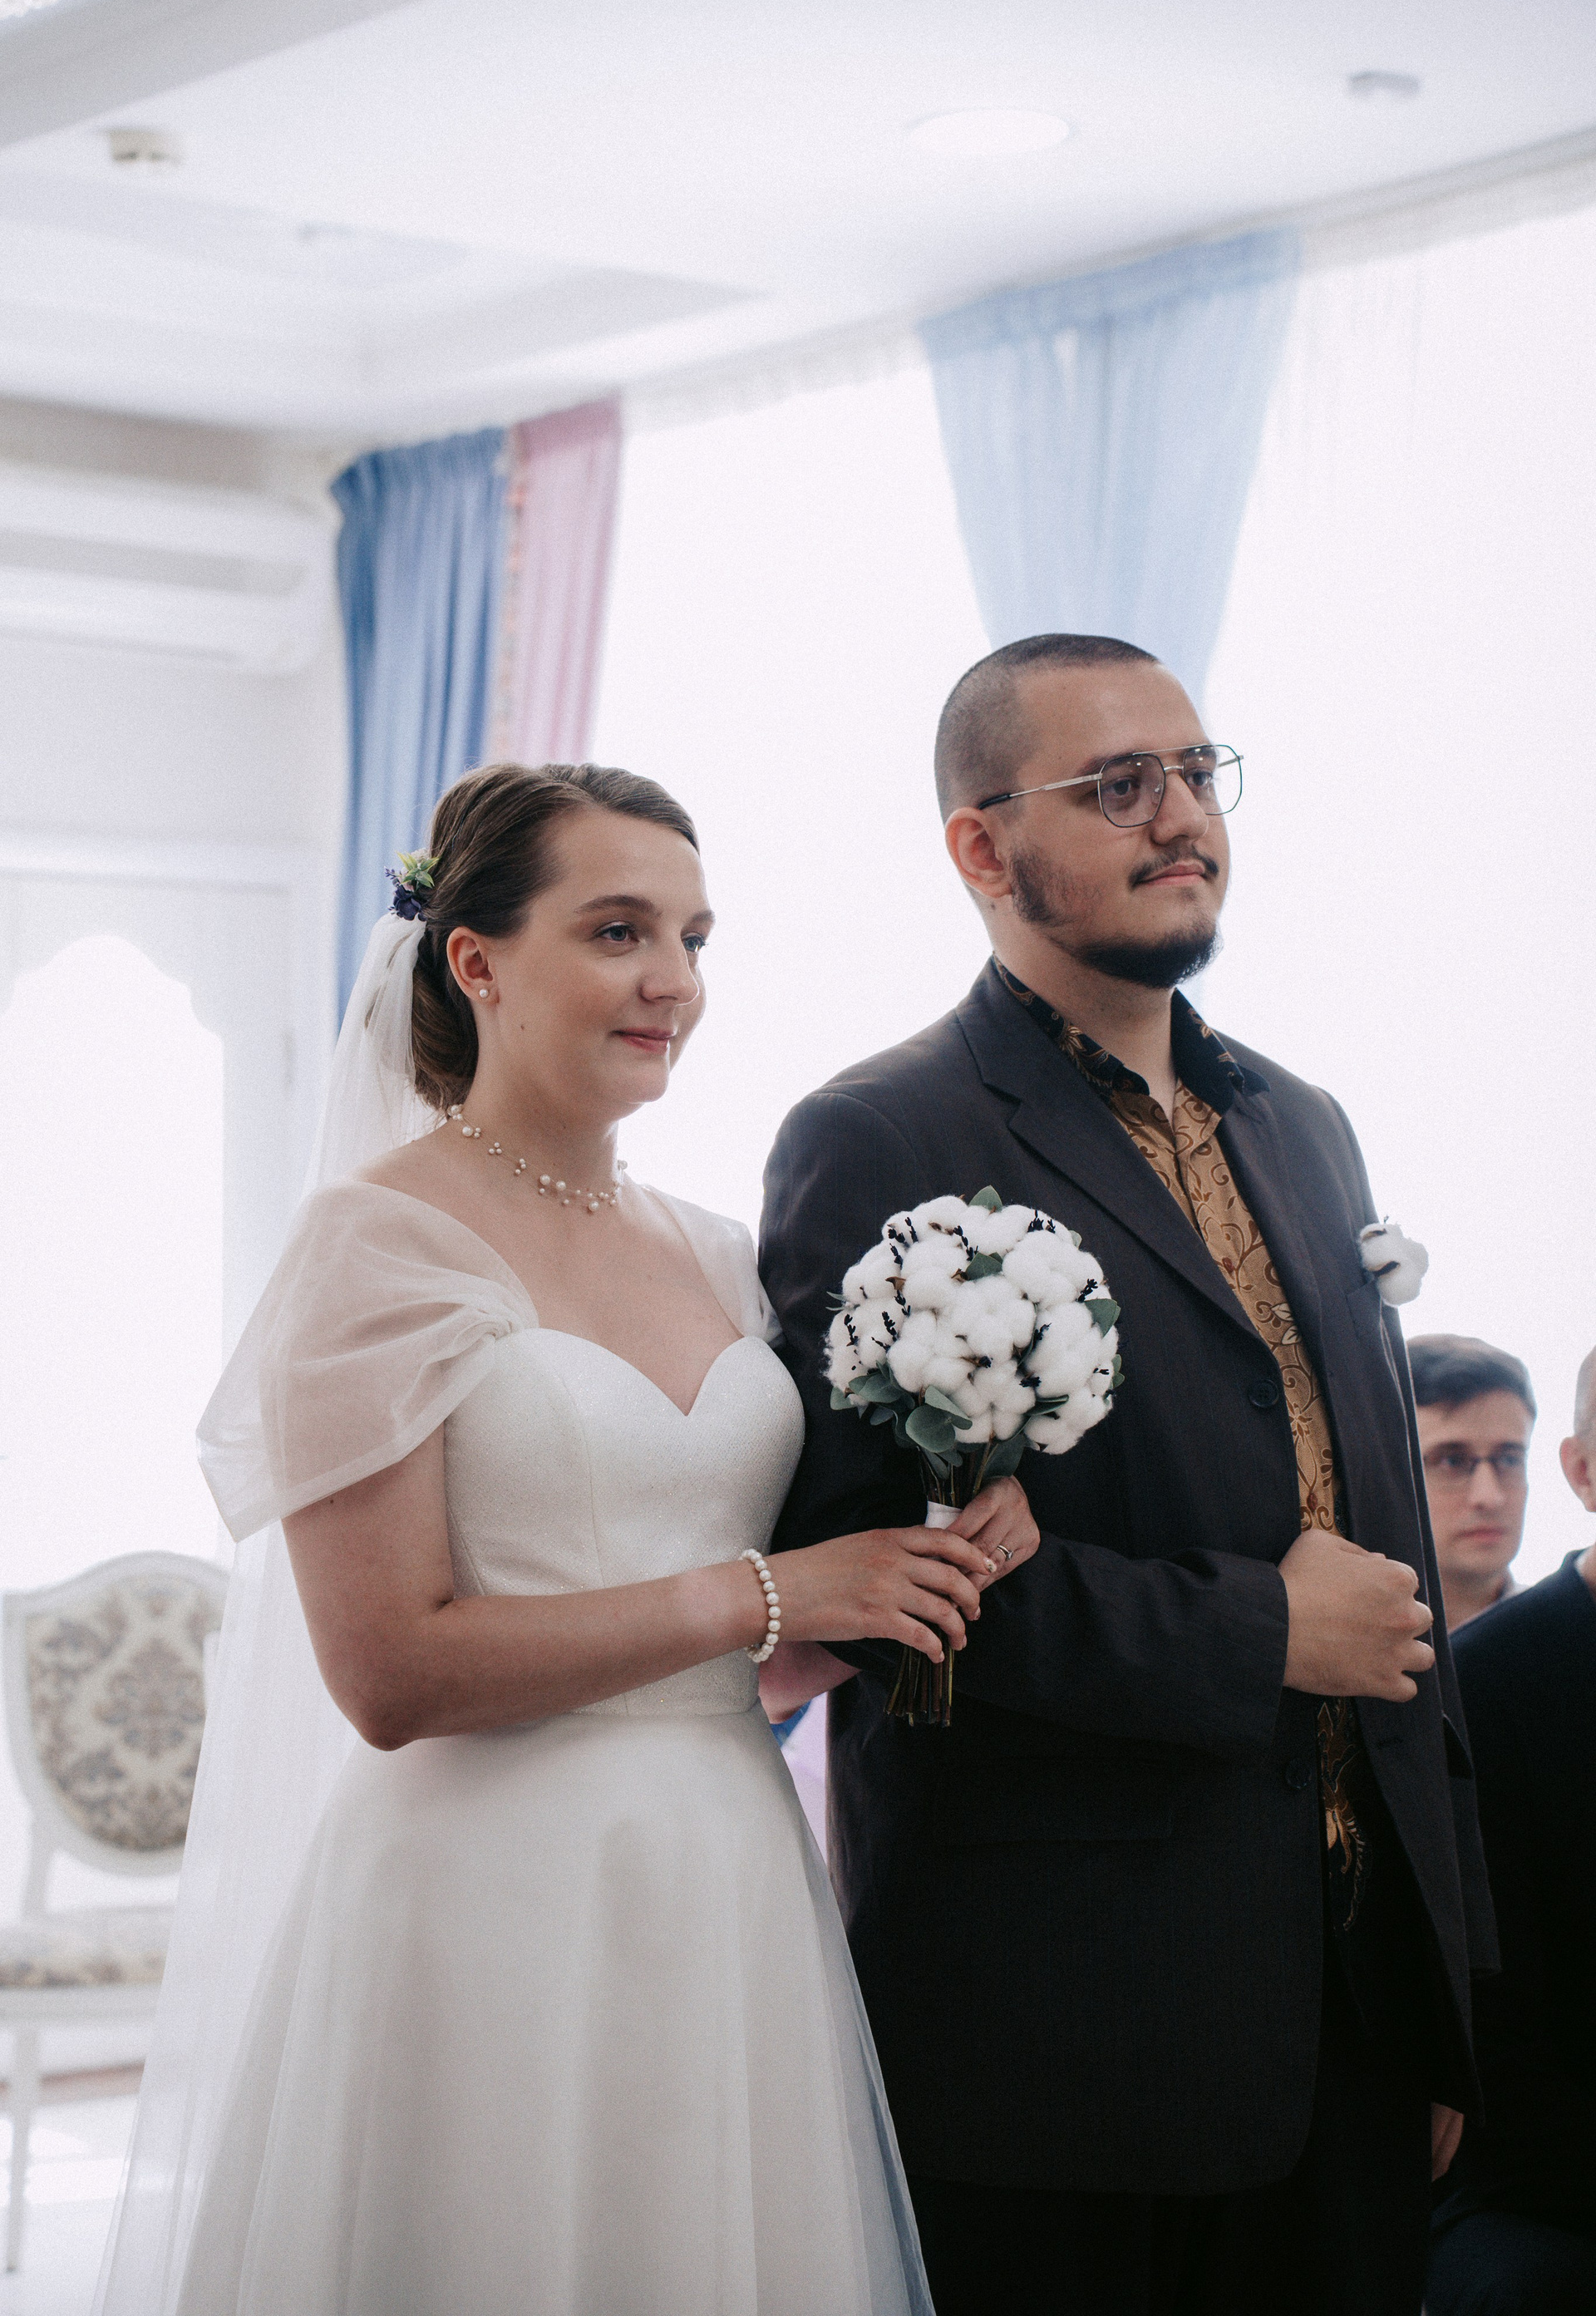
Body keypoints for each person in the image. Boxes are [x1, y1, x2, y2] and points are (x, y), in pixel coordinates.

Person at [99, 762, 1042, 2316]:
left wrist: (905, 1580)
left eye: (693, 937)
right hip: (490, 1892)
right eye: (617, 932)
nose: (673, 980)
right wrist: (766, 1592)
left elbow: (756, 1661)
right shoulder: (377, 1241)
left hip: (725, 1877)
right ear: (476, 960)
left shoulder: (719, 1255)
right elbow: (390, 1674)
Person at [761, 636, 1496, 2316]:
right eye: (1117, 785)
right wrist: (1262, 1632)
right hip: (1070, 2030)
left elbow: (1389, 1548)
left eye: (1196, 772)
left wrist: (1445, 1983)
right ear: (980, 845)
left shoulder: (1304, 1122)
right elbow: (864, 1583)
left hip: (1357, 2002)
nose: (1182, 817)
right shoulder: (881, 1137)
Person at [1427, 1348, 1596, 2314]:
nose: (1486, 1492)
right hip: (1536, 2192)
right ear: (1584, 1472)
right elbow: (1495, 2043)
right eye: (1452, 1459)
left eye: (1504, 1458)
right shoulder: (1481, 1687)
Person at [1409, 1336, 1534, 1630]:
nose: (1490, 1498)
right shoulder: (1330, 1650)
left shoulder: (1577, 1639)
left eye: (1509, 1460)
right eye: (1451, 1461)